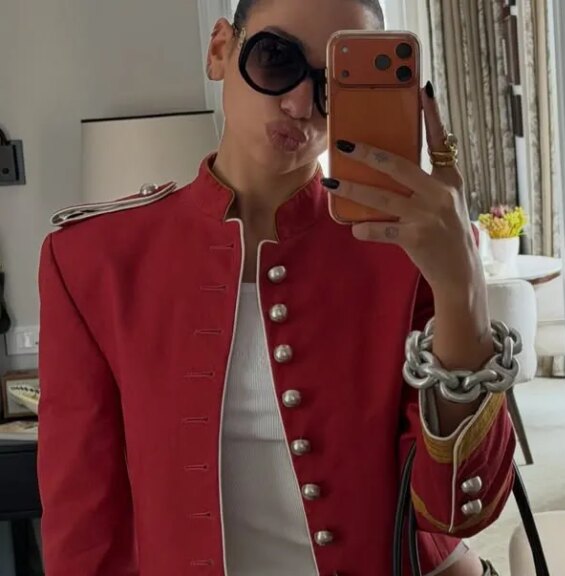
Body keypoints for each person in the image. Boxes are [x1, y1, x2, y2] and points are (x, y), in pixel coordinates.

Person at [36, 0, 516, 574]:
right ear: (220, 49)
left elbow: (456, 509)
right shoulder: (93, 261)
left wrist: (463, 287)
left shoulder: (406, 250)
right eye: (275, 59)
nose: (299, 105)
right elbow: (83, 524)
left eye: (334, 86)